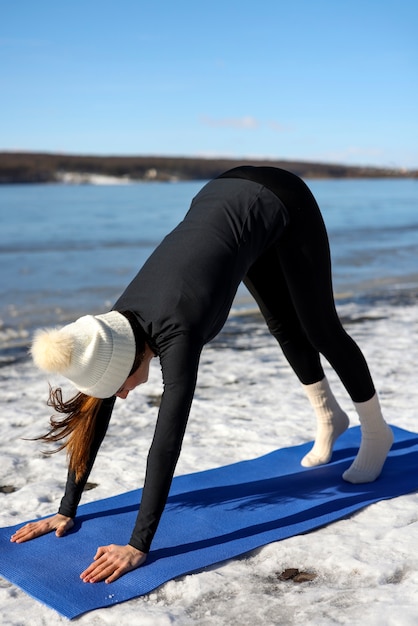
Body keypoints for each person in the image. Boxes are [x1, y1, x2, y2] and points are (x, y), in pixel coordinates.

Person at [10, 166, 393, 584]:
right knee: (283, 326)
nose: (119, 396)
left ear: (129, 362)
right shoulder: (111, 331)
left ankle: (376, 433)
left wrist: (138, 544)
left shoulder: (179, 330)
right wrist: (67, 509)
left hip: (281, 198)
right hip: (228, 203)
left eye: (118, 387)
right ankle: (330, 420)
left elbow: (167, 440)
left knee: (320, 328)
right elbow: (92, 411)